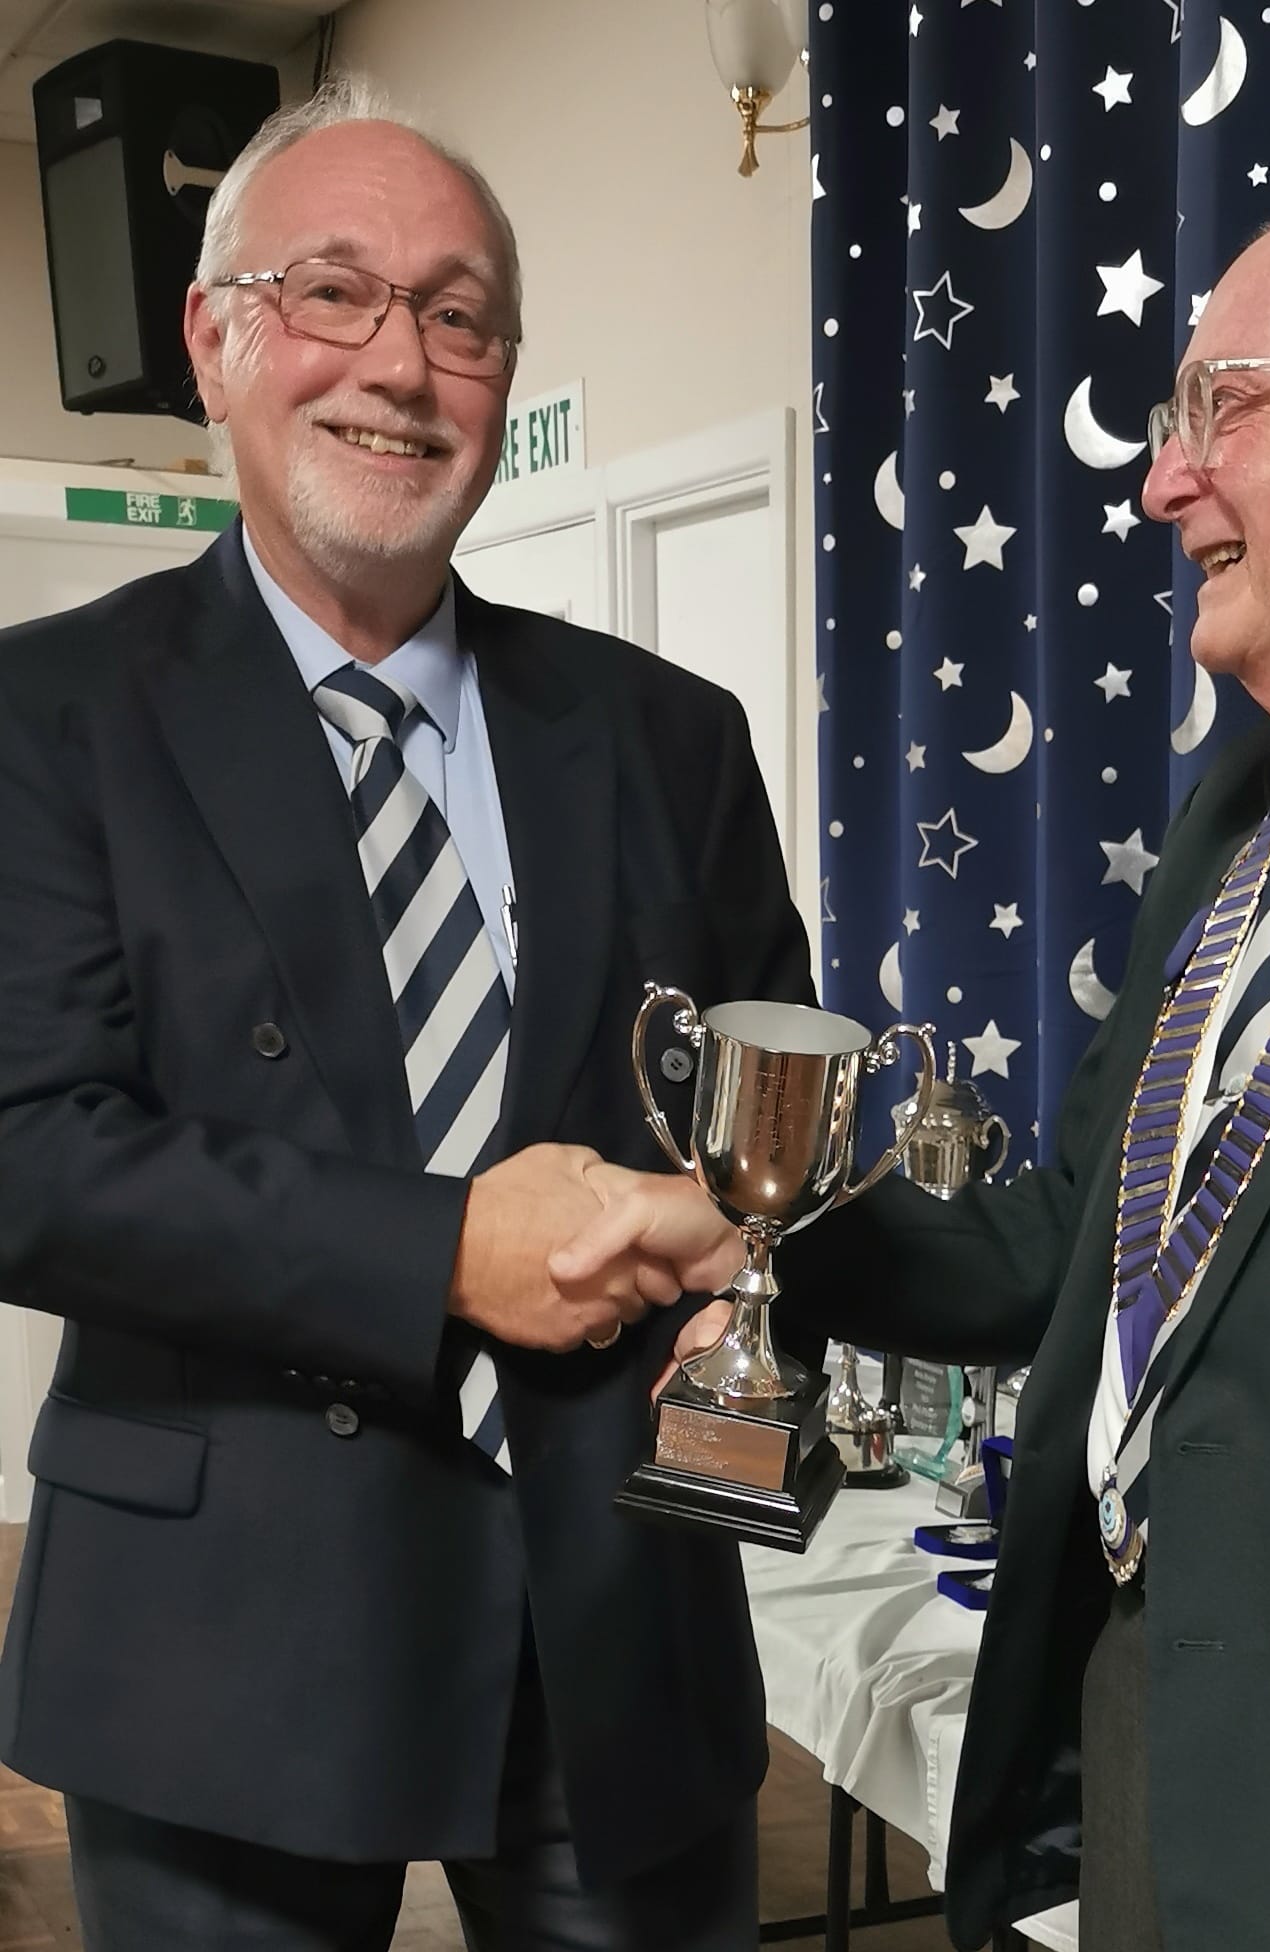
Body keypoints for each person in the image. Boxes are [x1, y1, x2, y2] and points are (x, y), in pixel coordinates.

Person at [556, 183, 1270, 1951]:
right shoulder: (1245, 814)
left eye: (1220, 406)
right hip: (1154, 1779)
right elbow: (1081, 1240)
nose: (1164, 481)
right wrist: (753, 1233)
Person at [0, 77, 812, 1952]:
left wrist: (754, 1259)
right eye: (334, 295)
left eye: (459, 316)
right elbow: (30, 1154)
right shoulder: (48, 720)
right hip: (225, 1641)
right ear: (214, 342)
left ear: (502, 379)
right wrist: (448, 1246)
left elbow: (773, 1117)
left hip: (617, 1621)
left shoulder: (668, 737)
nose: (401, 364)